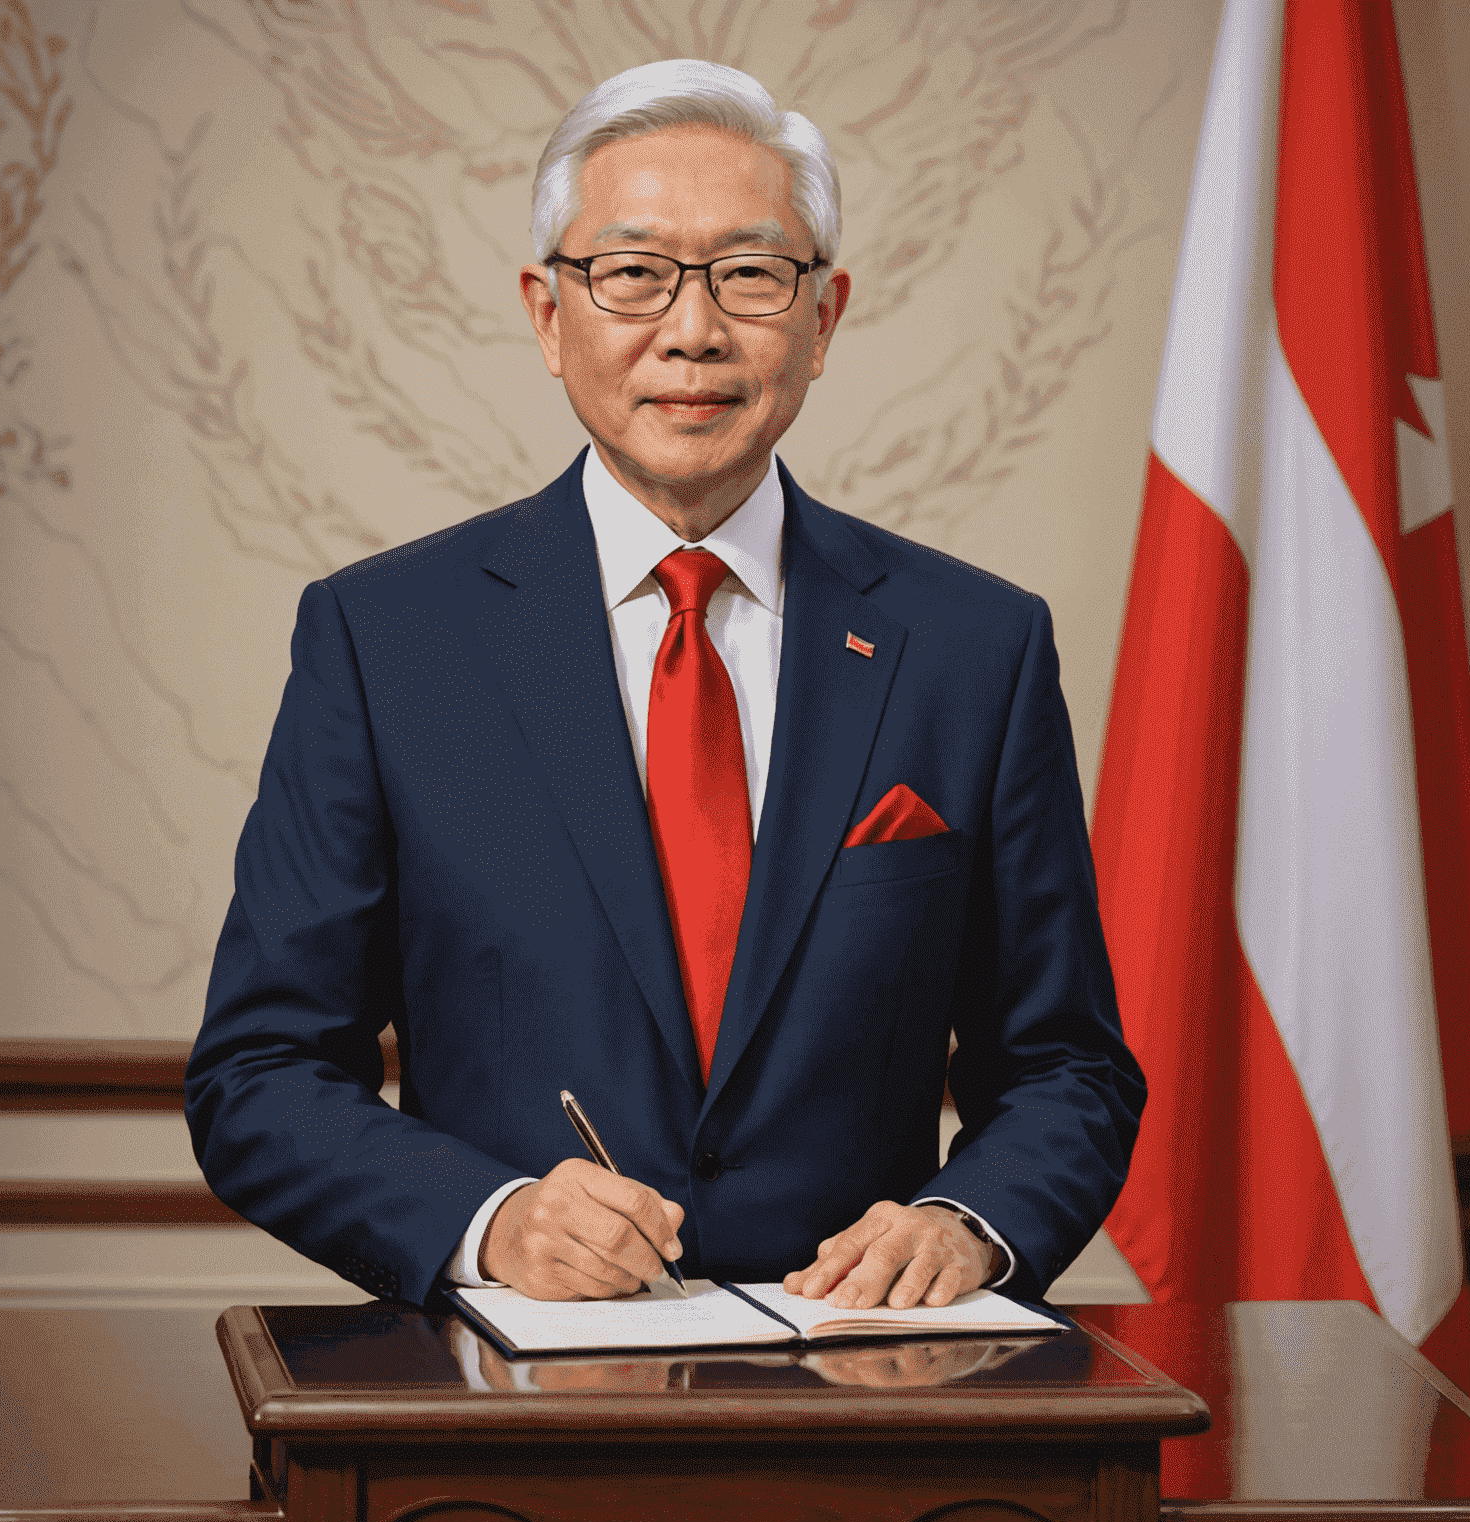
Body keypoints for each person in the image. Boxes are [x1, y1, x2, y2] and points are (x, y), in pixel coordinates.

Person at [185, 59, 1143, 1312]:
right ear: (547, 314)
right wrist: (493, 1220)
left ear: (824, 317)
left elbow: (1067, 1064)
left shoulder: (976, 646)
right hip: (507, 1411)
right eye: (632, 274)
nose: (692, 331)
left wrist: (968, 1224)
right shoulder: (385, 639)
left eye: (750, 274)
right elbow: (258, 1072)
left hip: (863, 1399)